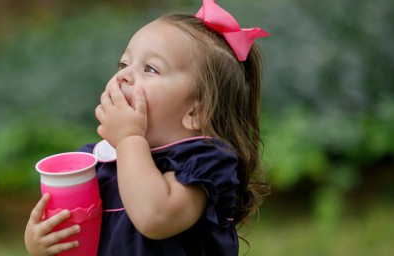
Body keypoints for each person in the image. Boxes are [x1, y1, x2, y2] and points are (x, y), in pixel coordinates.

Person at [25, 0, 270, 255]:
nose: (123, 76)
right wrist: (41, 242)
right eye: (123, 64)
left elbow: (155, 216)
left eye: (150, 68)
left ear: (196, 111)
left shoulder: (203, 163)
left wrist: (130, 137)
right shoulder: (100, 162)